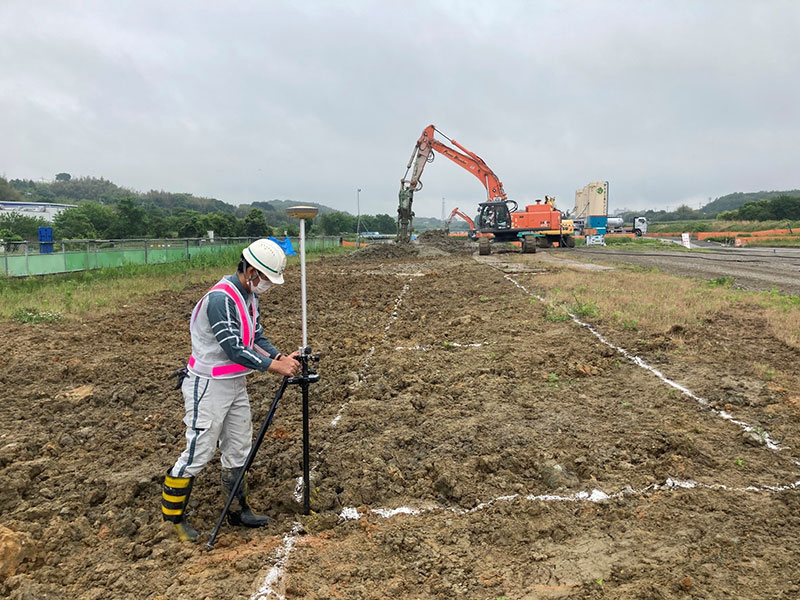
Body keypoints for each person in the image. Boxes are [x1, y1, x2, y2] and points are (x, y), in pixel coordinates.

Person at [161, 239, 301, 542]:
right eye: (264, 279)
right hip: (208, 386)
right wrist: (274, 367)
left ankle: (238, 510)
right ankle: (173, 519)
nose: (266, 286)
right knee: (198, 452)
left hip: (235, 384)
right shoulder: (220, 299)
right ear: (251, 271)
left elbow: (256, 337)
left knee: (238, 448)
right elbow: (234, 348)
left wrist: (279, 357)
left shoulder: (248, 296)